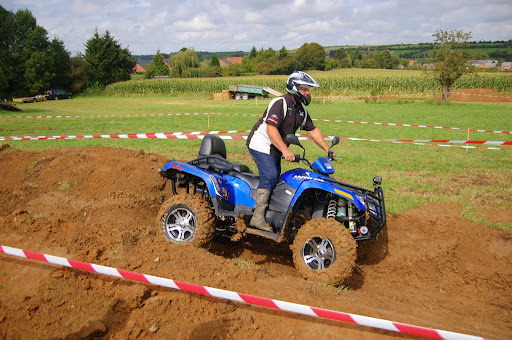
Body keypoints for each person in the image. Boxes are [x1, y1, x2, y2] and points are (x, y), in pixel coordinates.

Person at [246, 71, 334, 232]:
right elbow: (271, 130)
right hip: (261, 144)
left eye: (308, 90)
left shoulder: (301, 111)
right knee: (270, 175)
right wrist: (286, 150)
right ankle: (257, 218)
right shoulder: (280, 103)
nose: (307, 93)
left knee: (278, 180)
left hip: (275, 148)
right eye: (304, 89)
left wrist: (327, 149)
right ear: (294, 88)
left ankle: (272, 214)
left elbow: (313, 131)